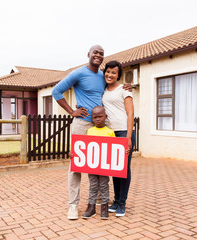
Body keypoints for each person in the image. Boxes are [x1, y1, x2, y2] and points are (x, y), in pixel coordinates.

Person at [52, 45, 106, 220]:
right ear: (88, 55)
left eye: (101, 53)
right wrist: (71, 111)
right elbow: (56, 91)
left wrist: (126, 86)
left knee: (98, 163)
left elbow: (111, 87)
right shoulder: (79, 73)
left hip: (99, 126)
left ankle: (98, 198)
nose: (98, 55)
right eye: (95, 52)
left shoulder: (102, 75)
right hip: (82, 123)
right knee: (76, 165)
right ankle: (73, 205)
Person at [102, 60, 135, 217]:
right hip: (110, 133)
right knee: (115, 169)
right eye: (108, 71)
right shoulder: (103, 90)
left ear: (118, 75)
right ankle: (116, 201)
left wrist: (128, 137)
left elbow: (130, 114)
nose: (110, 74)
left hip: (123, 132)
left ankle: (122, 203)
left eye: (114, 72)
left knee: (124, 169)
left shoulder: (124, 89)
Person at [82, 106, 115, 220]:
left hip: (104, 166)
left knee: (104, 185)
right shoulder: (90, 131)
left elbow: (114, 149)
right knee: (93, 186)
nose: (97, 119)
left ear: (105, 117)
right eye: (95, 117)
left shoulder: (110, 132)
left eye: (100, 116)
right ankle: (91, 208)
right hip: (92, 165)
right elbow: (85, 147)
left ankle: (104, 207)